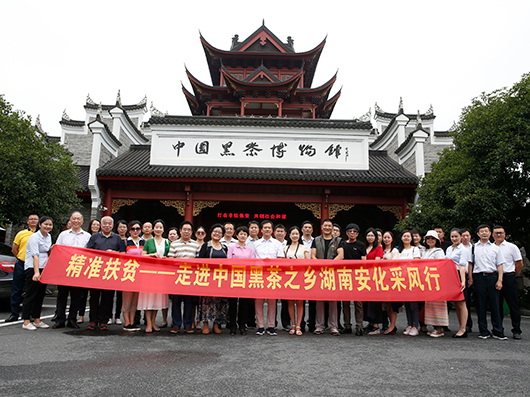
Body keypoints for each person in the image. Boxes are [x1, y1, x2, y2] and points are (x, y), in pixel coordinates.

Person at [85, 216, 126, 331]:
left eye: (109, 223)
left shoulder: (117, 238)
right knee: (94, 297)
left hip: (110, 272)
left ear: (113, 226)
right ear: (101, 225)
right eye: (105, 223)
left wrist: (114, 253)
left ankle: (103, 321)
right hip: (96, 271)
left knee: (107, 297)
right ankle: (93, 320)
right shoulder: (94, 237)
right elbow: (89, 252)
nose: (107, 225)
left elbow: (123, 254)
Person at [53, 211, 91, 329]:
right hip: (64, 269)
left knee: (76, 296)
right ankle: (60, 319)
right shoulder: (63, 235)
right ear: (70, 220)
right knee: (62, 295)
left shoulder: (87, 236)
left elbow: (89, 254)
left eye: (78, 219)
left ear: (82, 222)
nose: (76, 221)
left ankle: (72, 319)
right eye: (74, 218)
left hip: (78, 270)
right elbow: (57, 250)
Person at [468, 224, 506, 340]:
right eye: (481, 231)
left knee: (495, 304)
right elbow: (470, 264)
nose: (484, 233)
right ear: (478, 234)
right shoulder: (473, 248)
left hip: (492, 277)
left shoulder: (495, 248)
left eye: (486, 231)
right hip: (479, 277)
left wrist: (500, 280)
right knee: (481, 304)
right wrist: (470, 278)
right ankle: (483, 330)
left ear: (490, 233)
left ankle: (498, 330)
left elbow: (500, 265)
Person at [167, 221, 200, 334]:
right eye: (184, 229)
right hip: (177, 276)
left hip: (190, 277)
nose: (186, 231)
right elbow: (170, 259)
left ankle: (188, 324)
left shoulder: (195, 244)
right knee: (175, 301)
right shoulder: (174, 244)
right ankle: (176, 324)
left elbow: (198, 262)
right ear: (180, 231)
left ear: (191, 232)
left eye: (189, 230)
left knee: (188, 301)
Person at [5, 214, 39, 323]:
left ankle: (30, 314)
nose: (33, 221)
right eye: (31, 219)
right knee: (16, 289)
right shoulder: (21, 233)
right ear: (28, 221)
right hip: (21, 263)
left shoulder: (41, 234)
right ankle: (14, 314)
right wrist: (21, 258)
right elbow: (14, 249)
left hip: (34, 265)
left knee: (32, 291)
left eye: (35, 219)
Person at [312, 219, 343, 336]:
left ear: (332, 227)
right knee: (319, 300)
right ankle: (319, 326)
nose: (327, 228)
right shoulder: (316, 240)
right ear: (321, 227)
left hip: (333, 273)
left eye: (329, 226)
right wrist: (321, 266)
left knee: (333, 301)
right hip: (320, 273)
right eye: (325, 225)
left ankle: (333, 326)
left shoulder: (338, 240)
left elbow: (341, 255)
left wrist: (329, 265)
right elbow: (313, 255)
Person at [21, 216, 53, 331]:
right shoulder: (34, 237)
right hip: (33, 268)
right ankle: (26, 321)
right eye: (45, 224)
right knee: (30, 295)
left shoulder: (48, 236)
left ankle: (37, 319)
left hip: (43, 268)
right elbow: (35, 255)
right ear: (40, 225)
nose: (48, 227)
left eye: (50, 225)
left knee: (40, 295)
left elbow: (46, 251)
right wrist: (36, 272)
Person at [253, 220, 284, 336]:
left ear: (272, 230)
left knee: (272, 301)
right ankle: (260, 326)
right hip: (259, 274)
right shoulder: (256, 244)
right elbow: (253, 259)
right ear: (261, 230)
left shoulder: (277, 244)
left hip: (273, 275)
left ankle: (271, 326)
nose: (267, 230)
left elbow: (280, 258)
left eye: (269, 228)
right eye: (265, 228)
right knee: (259, 301)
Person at [493, 225, 523, 339]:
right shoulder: (490, 247)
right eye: (496, 233)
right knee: (497, 304)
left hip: (509, 276)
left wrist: (513, 275)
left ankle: (516, 330)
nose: (498, 235)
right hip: (495, 277)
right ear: (493, 234)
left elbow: (519, 264)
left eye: (500, 232)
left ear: (505, 234)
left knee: (513, 304)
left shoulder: (512, 247)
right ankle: (498, 329)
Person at [140, 219, 170, 333]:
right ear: (153, 229)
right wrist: (152, 255)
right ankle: (148, 323)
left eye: (160, 227)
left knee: (157, 299)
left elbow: (171, 256)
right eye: (156, 227)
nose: (158, 229)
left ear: (163, 230)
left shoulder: (167, 242)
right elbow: (143, 256)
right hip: (149, 272)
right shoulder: (148, 241)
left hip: (162, 273)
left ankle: (153, 322)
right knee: (148, 299)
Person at [335, 223, 365, 335]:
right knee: (345, 303)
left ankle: (359, 326)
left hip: (358, 276)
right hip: (345, 276)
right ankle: (347, 325)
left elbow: (364, 261)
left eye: (355, 231)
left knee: (358, 303)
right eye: (350, 231)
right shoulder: (342, 244)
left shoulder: (361, 245)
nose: (352, 233)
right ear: (347, 233)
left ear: (357, 233)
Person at [199, 223, 229, 334]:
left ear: (222, 235)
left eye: (219, 232)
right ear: (211, 233)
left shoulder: (225, 247)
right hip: (208, 278)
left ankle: (216, 325)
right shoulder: (206, 246)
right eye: (215, 231)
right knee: (207, 302)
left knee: (219, 302)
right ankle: (206, 324)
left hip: (221, 279)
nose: (217, 234)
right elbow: (200, 262)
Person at [226, 226, 254, 335]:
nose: (242, 236)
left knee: (244, 304)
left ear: (247, 236)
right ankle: (232, 326)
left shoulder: (250, 250)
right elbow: (229, 262)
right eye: (240, 234)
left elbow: (251, 264)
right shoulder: (232, 248)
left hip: (245, 278)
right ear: (236, 235)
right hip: (234, 278)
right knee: (232, 304)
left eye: (245, 234)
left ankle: (242, 325)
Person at [422, 230, 448, 338]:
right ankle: (434, 327)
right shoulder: (425, 251)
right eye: (428, 238)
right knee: (430, 305)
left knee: (438, 305)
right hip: (427, 281)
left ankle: (440, 328)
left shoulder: (439, 251)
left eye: (432, 238)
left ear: (437, 240)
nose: (430, 240)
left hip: (436, 281)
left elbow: (441, 265)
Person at [284, 226, 309, 336]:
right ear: (289, 235)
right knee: (290, 302)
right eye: (292, 234)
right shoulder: (286, 248)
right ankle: (293, 324)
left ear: (300, 236)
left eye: (296, 234)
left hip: (300, 277)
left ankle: (298, 325)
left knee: (300, 302)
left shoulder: (304, 248)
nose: (294, 236)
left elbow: (309, 263)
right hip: (289, 278)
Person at [446, 228, 470, 338]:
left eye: (456, 236)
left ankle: (463, 328)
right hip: (450, 276)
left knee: (462, 303)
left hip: (459, 275)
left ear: (461, 236)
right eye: (452, 237)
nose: (454, 239)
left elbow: (462, 265)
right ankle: (461, 327)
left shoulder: (463, 249)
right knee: (456, 303)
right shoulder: (449, 249)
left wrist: (463, 280)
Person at [121, 221, 144, 331]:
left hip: (139, 274)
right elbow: (121, 256)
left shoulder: (143, 242)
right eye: (133, 229)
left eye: (137, 229)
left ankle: (132, 321)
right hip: (128, 273)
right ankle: (126, 322)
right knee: (127, 299)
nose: (135, 231)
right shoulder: (125, 242)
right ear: (129, 230)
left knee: (135, 300)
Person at [399, 230, 421, 336]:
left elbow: (416, 262)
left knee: (413, 304)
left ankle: (415, 326)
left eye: (408, 236)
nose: (406, 238)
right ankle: (409, 324)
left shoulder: (415, 249)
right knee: (407, 304)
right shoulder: (400, 251)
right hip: (402, 279)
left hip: (412, 278)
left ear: (411, 238)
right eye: (404, 236)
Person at [364, 227, 383, 335]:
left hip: (374, 277)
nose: (370, 237)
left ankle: (376, 325)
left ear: (375, 237)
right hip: (365, 278)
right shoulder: (365, 247)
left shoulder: (378, 248)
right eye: (368, 235)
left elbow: (377, 262)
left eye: (372, 235)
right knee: (367, 302)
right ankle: (370, 323)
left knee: (375, 302)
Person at [108, 219, 128, 325]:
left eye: (124, 227)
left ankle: (117, 316)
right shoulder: (114, 238)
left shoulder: (129, 240)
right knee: (110, 295)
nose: (122, 229)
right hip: (112, 268)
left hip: (124, 270)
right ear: (117, 228)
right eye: (120, 227)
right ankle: (109, 316)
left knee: (121, 296)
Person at [274, 223, 289, 331]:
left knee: (285, 300)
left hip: (286, 275)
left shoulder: (289, 245)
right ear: (274, 233)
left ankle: (286, 323)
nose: (279, 233)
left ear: (285, 233)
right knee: (272, 300)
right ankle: (272, 323)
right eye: (277, 231)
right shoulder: (271, 244)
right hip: (273, 274)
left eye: (281, 231)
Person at [301, 220, 315, 332]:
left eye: (309, 227)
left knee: (312, 299)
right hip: (300, 272)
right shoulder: (296, 240)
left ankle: (312, 323)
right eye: (305, 227)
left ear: (312, 230)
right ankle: (300, 323)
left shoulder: (316, 241)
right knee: (300, 299)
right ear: (302, 229)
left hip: (313, 272)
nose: (307, 229)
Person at [461, 228, 474, 332]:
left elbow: (470, 263)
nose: (465, 237)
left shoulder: (474, 248)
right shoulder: (454, 248)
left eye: (467, 235)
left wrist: (470, 278)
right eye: (463, 235)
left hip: (473, 275)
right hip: (461, 276)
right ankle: (467, 324)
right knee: (465, 301)